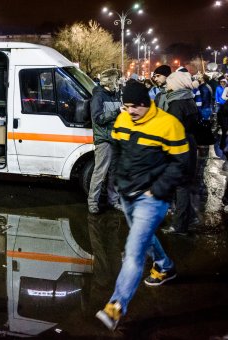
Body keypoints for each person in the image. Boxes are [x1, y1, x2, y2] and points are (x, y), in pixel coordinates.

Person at [95, 81, 190, 331]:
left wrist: (157, 190)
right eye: (126, 106)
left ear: (146, 102)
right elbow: (117, 150)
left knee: (134, 250)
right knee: (145, 239)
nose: (130, 111)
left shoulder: (169, 125)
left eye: (135, 106)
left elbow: (181, 163)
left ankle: (115, 306)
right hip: (128, 193)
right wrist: (117, 178)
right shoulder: (124, 120)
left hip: (152, 199)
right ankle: (165, 266)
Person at [159, 71, 199, 235]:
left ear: (176, 84)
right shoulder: (189, 99)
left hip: (179, 147)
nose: (167, 85)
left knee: (180, 186)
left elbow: (172, 130)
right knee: (184, 184)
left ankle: (179, 226)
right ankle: (190, 217)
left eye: (169, 82)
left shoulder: (176, 104)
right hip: (190, 144)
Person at [87, 69, 122, 214]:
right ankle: (92, 203)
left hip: (115, 138)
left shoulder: (115, 95)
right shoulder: (98, 96)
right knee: (100, 172)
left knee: (114, 172)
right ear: (110, 81)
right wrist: (117, 111)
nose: (118, 82)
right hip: (104, 140)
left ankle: (113, 200)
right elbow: (98, 118)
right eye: (116, 79)